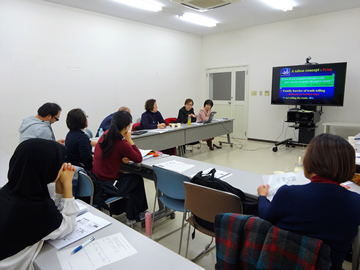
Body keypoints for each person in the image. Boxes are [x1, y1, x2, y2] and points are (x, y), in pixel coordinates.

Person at [257, 134, 360, 269]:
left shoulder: (288, 194)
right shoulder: (356, 202)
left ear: (309, 161)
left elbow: (265, 216)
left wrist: (262, 196)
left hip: (285, 263)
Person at [0, 139, 79, 269]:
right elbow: (69, 224)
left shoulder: (9, 191)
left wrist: (58, 191)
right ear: (46, 169)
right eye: (58, 164)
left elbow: (50, 212)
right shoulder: (36, 210)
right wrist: (67, 186)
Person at [93, 111, 148, 225]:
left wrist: (121, 156)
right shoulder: (121, 143)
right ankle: (139, 213)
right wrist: (130, 141)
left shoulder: (105, 135)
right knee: (137, 179)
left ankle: (131, 212)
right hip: (109, 185)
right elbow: (138, 158)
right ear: (127, 127)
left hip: (98, 182)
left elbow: (111, 154)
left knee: (130, 179)